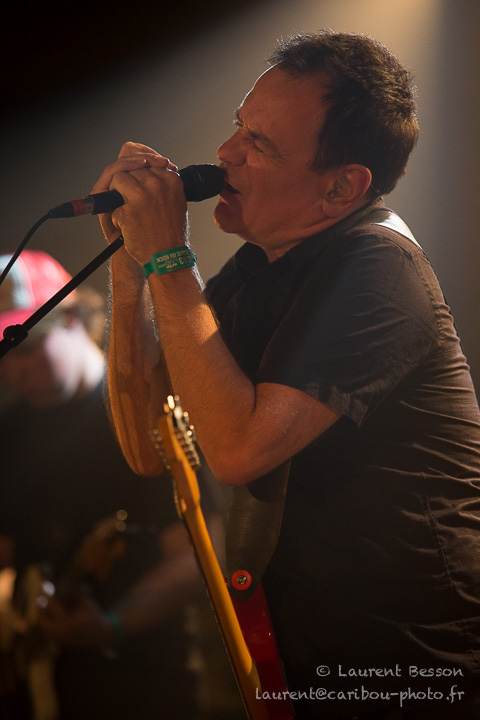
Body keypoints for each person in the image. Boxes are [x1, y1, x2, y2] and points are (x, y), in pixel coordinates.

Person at [94, 31, 480, 719]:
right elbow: (148, 449)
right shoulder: (254, 275)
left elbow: (239, 451)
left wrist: (168, 258)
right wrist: (129, 262)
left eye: (261, 144)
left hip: (413, 670)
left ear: (342, 187)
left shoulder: (379, 270)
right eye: (238, 126)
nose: (225, 152)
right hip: (311, 662)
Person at [0, 250, 240, 720]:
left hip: (144, 688)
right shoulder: (11, 433)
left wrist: (112, 623)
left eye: (24, 347)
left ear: (72, 318)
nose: (13, 370)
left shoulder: (144, 413)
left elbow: (201, 551)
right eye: (3, 356)